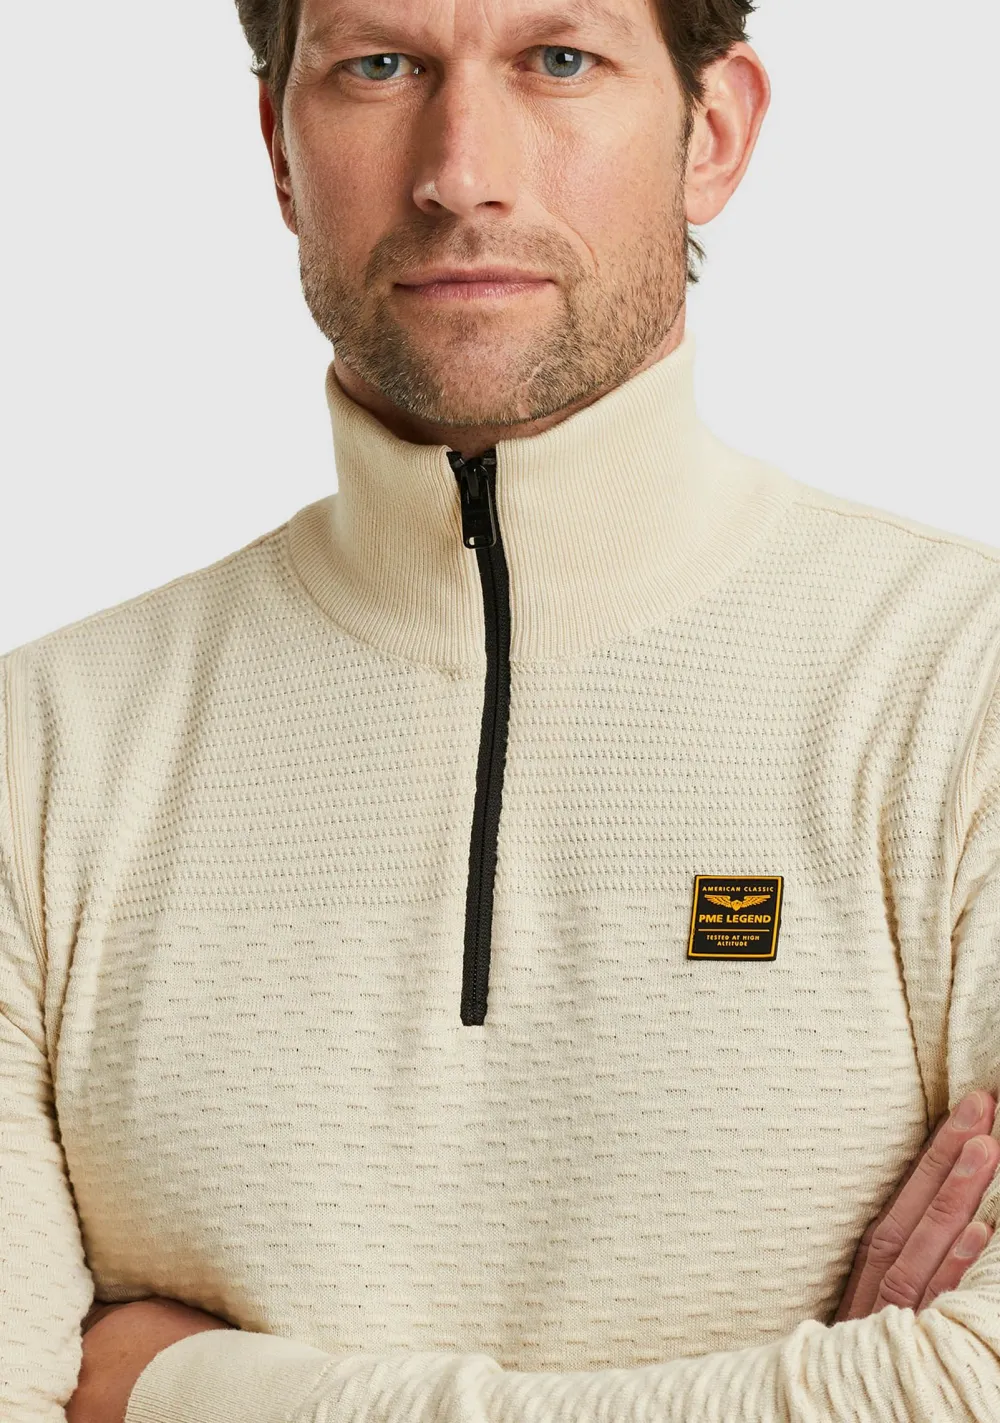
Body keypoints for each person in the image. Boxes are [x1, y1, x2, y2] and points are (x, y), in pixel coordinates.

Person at [3, 0, 1000, 1419]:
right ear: (280, 148)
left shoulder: (964, 684)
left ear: (712, 132)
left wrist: (179, 1391)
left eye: (559, 60)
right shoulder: (37, 753)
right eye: (380, 66)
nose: (460, 171)